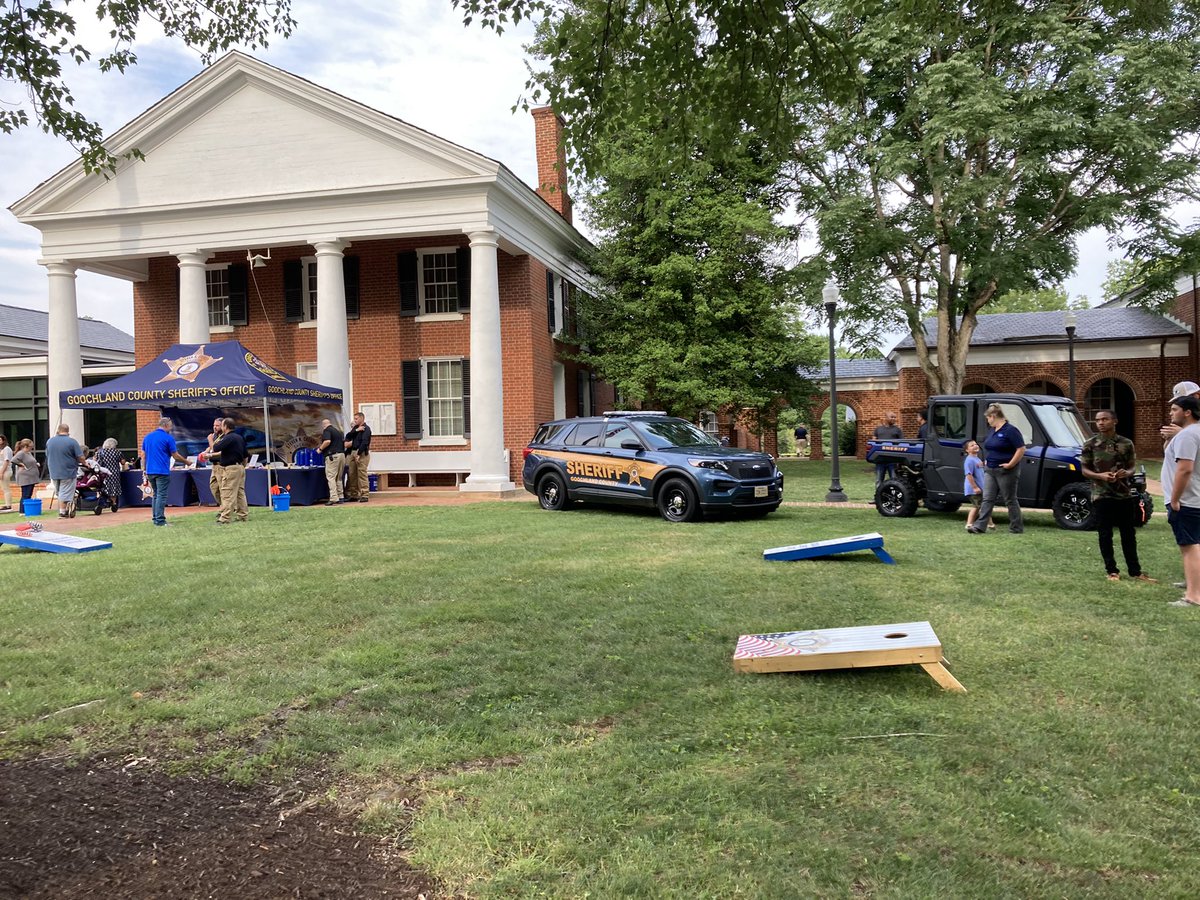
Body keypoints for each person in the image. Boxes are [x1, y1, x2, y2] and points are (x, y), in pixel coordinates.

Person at [1080, 410, 1155, 583]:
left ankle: (1135, 571)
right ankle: (1112, 571)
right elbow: (1085, 470)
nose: (1100, 423)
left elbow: (1131, 468)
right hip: (1101, 495)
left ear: (1115, 421)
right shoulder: (1090, 444)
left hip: (1123, 494)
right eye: (1098, 420)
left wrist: (1124, 474)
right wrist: (1101, 476)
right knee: (1105, 534)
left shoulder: (1126, 443)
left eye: (1105, 419)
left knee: (1128, 534)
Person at [1162, 395, 1200, 607]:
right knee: (1195, 544)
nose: (1171, 413)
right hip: (1195, 497)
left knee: (1189, 546)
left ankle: (1193, 596)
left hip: (1186, 500)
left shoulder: (1187, 435)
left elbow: (1185, 469)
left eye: (1175, 409)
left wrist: (1175, 500)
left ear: (1187, 412)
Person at [968, 403, 1025, 534]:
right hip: (990, 469)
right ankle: (979, 526)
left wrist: (1011, 464)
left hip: (1006, 471)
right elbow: (991, 447)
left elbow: (1021, 449)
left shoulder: (1010, 430)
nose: (988, 421)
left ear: (993, 416)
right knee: (987, 498)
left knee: (1010, 499)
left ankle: (1016, 527)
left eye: (988, 418)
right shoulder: (992, 431)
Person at [140, 417, 189, 527]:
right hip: (162, 471)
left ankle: (155, 518)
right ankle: (160, 520)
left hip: (150, 470)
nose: (171, 428)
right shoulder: (168, 438)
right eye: (170, 425)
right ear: (166, 425)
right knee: (161, 495)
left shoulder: (147, 437)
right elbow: (175, 456)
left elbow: (143, 455)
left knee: (156, 495)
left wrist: (144, 469)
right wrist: (187, 462)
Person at [211, 417, 248, 525]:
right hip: (240, 467)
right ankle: (243, 516)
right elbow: (246, 455)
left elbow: (216, 448)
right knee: (240, 494)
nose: (220, 427)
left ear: (225, 426)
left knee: (227, 493)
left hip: (230, 469)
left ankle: (225, 518)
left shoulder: (228, 437)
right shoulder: (239, 438)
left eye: (221, 425)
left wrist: (210, 439)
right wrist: (242, 467)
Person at [45, 423, 84, 519]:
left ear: (58, 430)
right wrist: (85, 462)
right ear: (68, 431)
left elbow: (47, 454)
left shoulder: (50, 441)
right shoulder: (72, 442)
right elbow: (80, 457)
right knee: (65, 491)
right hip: (68, 471)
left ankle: (66, 508)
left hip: (53, 471)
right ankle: (63, 512)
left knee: (59, 491)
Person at [962, 441, 993, 532]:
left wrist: (985, 464)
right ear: (967, 450)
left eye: (975, 444)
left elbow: (980, 467)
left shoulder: (977, 459)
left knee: (982, 506)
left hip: (980, 488)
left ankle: (990, 524)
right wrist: (975, 487)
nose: (975, 446)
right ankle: (969, 524)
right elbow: (968, 474)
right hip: (973, 489)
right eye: (972, 446)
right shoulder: (969, 460)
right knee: (979, 506)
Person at [1160, 380, 1200, 446]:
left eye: (1183, 399)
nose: (1180, 403)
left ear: (1196, 396)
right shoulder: (1185, 419)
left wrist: (1182, 433)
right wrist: (1170, 438)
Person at [344, 411, 372, 502]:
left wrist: (359, 454)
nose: (354, 420)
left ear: (361, 418)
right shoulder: (356, 428)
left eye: (356, 419)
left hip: (362, 453)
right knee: (352, 474)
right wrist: (356, 430)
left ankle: (364, 494)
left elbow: (364, 442)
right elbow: (348, 436)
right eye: (354, 418)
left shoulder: (366, 429)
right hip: (352, 452)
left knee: (362, 474)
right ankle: (354, 494)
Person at [319, 417, 346, 506]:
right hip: (342, 455)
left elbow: (327, 441)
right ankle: (341, 496)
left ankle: (334, 498)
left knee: (331, 477)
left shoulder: (327, 430)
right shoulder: (337, 431)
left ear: (323, 425)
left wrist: (320, 449)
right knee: (339, 477)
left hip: (332, 456)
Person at [94, 438, 124, 513]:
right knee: (114, 487)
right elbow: (123, 462)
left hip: (102, 473)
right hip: (114, 473)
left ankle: (101, 500)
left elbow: (95, 462)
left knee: (103, 487)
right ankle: (113, 503)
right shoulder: (117, 452)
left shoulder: (99, 452)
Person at [873, 411, 903, 486]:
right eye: (892, 417)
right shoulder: (878, 429)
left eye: (894, 417)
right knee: (879, 480)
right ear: (886, 418)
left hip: (892, 460)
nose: (894, 419)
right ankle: (878, 496)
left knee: (895, 481)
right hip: (880, 460)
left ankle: (895, 496)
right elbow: (873, 442)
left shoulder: (897, 430)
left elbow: (902, 444)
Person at [205, 416, 225, 510]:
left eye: (217, 425)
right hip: (214, 466)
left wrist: (210, 440)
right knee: (214, 487)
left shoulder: (225, 436)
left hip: (222, 465)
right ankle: (224, 506)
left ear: (223, 426)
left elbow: (215, 449)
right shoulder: (214, 435)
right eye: (214, 425)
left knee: (223, 489)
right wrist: (205, 452)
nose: (215, 427)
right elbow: (210, 448)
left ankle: (225, 509)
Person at [12, 439, 40, 504]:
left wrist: (36, 464)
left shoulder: (29, 453)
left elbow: (30, 461)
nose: (32, 448)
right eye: (30, 447)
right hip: (25, 477)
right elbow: (13, 460)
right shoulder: (21, 453)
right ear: (25, 446)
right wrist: (21, 465)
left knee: (29, 494)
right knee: (25, 495)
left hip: (31, 477)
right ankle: (22, 511)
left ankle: (27, 510)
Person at [0, 434, 13, 511]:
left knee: (6, 488)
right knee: (3, 488)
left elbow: (6, 461)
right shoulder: (1, 449)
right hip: (1, 470)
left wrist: (1, 472)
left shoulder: (6, 449)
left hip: (5, 470)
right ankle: (6, 503)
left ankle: (8, 505)